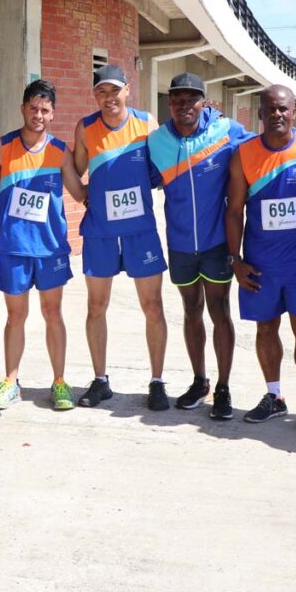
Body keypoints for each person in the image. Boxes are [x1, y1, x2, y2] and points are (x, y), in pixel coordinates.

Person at [226, 85, 296, 436]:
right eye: (270, 109)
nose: (277, 114)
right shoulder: (243, 155)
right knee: (266, 328)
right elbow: (234, 210)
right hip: (261, 264)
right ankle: (274, 396)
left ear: (294, 114)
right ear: (260, 113)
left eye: (284, 109)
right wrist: (235, 260)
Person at [147, 72, 251, 420]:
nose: (183, 105)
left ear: (203, 102)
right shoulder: (157, 141)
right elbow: (133, 178)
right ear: (170, 102)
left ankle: (223, 387)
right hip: (178, 244)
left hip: (216, 243)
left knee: (219, 311)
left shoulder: (227, 132)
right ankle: (200, 381)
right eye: (177, 99)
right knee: (191, 310)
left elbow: (268, 149)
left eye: (191, 99)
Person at [0, 80, 85, 412]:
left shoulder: (59, 151)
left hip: (50, 248)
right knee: (15, 316)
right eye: (33, 108)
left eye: (45, 110)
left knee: (53, 313)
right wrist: (8, 220)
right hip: (14, 249)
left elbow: (80, 194)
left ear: (53, 114)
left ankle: (59, 382)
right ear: (23, 108)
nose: (38, 114)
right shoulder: (3, 146)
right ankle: (11, 381)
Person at [72, 64, 169, 411]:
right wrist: (82, 194)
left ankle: (157, 382)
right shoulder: (85, 127)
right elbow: (74, 167)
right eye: (101, 91)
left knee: (153, 306)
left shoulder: (147, 123)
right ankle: (100, 380)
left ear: (128, 89)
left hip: (140, 231)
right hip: (100, 232)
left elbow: (164, 167)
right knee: (96, 307)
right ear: (95, 95)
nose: (109, 97)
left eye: (115, 90)